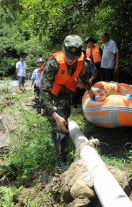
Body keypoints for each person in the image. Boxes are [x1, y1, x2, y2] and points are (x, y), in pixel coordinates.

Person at [40, 35, 96, 170]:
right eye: (69, 56)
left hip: (67, 92)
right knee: (59, 124)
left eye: (74, 57)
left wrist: (90, 90)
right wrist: (55, 115)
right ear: (63, 50)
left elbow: (83, 77)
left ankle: (60, 136)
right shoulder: (53, 63)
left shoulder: (81, 61)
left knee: (64, 118)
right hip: (52, 93)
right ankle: (61, 161)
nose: (71, 60)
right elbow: (44, 91)